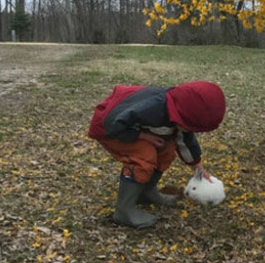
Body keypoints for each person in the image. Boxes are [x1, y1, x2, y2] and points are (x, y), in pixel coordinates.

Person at [88, 81, 226, 228]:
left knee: (166, 151)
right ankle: (124, 210)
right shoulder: (152, 108)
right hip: (111, 129)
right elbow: (114, 124)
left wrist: (199, 170)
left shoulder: (180, 115)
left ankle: (146, 192)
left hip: (135, 129)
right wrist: (142, 136)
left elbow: (185, 140)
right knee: (144, 155)